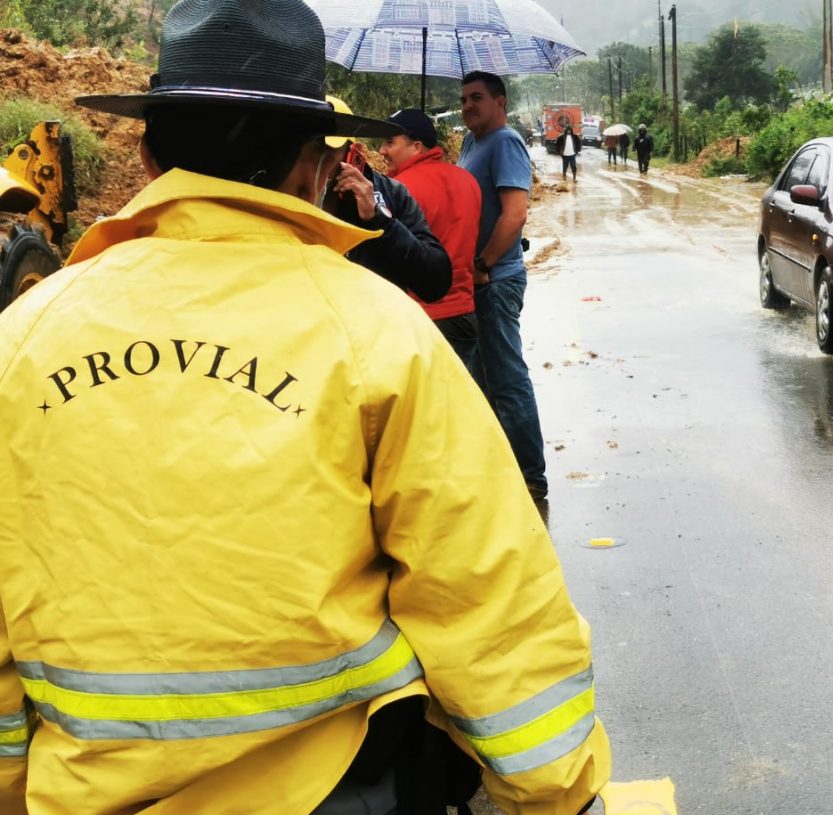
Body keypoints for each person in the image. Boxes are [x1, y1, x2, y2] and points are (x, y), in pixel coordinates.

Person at [0, 3, 611, 815]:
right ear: (311, 167)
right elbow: (483, 595)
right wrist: (559, 792)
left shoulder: (21, 339)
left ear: (147, 157)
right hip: (340, 788)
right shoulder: (378, 333)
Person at [457, 70, 549, 501]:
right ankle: (499, 467)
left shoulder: (506, 142)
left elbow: (515, 214)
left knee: (506, 377)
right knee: (480, 376)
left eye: (477, 97)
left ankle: (530, 475)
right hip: (473, 280)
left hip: (496, 279)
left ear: (500, 102)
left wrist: (484, 264)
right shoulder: (470, 142)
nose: (468, 106)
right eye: (463, 99)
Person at [380, 108, 482, 373]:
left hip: (419, 318)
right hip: (463, 314)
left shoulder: (398, 191)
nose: (381, 151)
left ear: (416, 146)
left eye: (390, 142)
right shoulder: (468, 180)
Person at [323, 97, 451, 305]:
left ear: (352, 153)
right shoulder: (282, 189)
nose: (315, 164)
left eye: (326, 152)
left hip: (382, 318)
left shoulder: (391, 192)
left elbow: (435, 280)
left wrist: (378, 220)